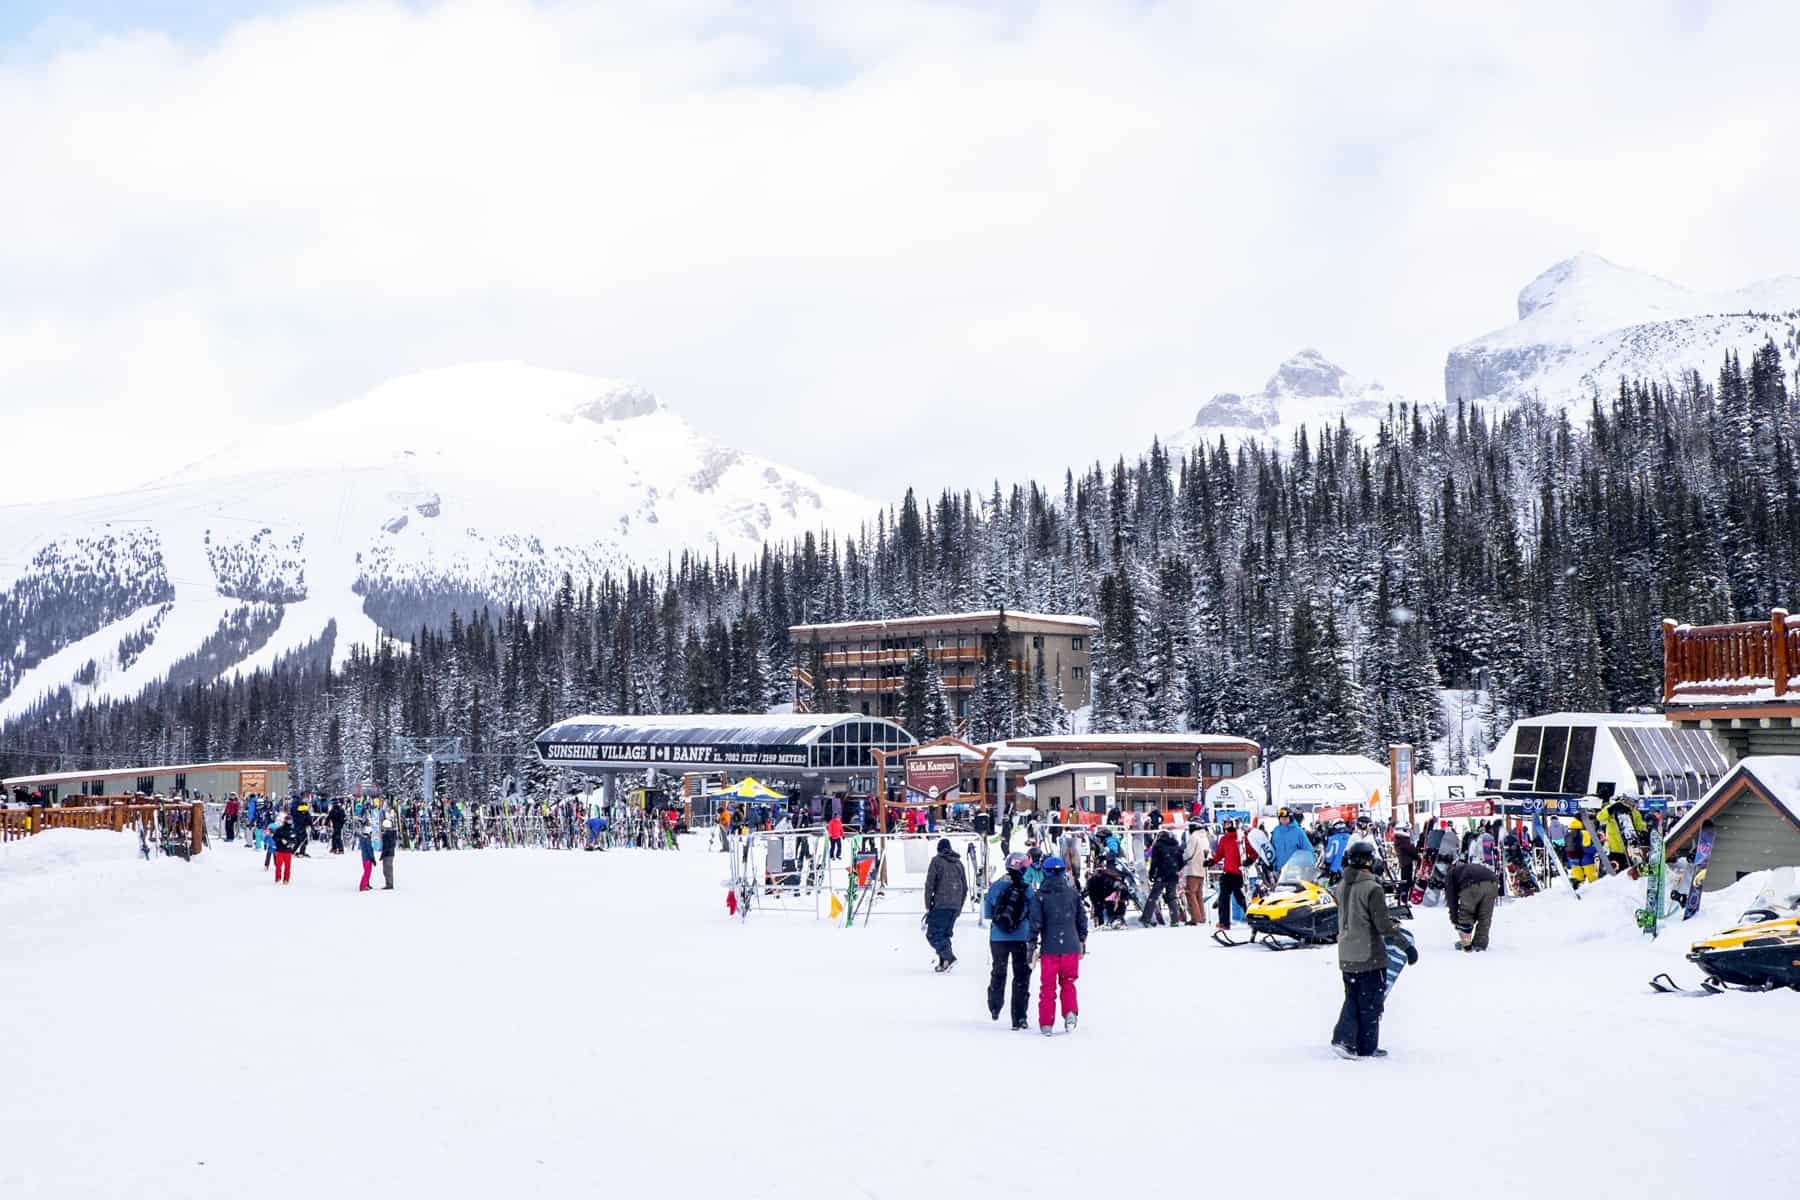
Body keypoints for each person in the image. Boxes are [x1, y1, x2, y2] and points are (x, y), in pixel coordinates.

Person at [1331, 842, 1412, 1059]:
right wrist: (1406, 946)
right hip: (1369, 954)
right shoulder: (1372, 888)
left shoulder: (1341, 885)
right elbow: (1383, 926)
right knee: (1371, 1003)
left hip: (1346, 951)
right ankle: (1361, 1045)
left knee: (1353, 997)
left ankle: (1346, 1039)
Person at [1027, 854, 1088, 1035]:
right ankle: (1070, 1013)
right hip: (1071, 946)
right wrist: (1082, 940)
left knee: (1048, 987)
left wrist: (1031, 944)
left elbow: (1035, 923)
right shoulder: (1072, 894)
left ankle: (1046, 1024)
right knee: (1068, 982)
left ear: (1044, 873)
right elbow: (1081, 920)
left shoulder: (1040, 896)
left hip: (1050, 948)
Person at [983, 852, 1035, 1030]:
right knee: (1021, 976)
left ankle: (995, 1006)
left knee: (999, 970)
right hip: (1021, 936)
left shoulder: (996, 886)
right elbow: (1033, 911)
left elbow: (989, 913)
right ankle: (1019, 1017)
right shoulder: (1027, 888)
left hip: (998, 937)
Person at [923, 837, 968, 972]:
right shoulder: (959, 863)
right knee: (944, 935)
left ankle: (949, 957)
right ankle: (944, 962)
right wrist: (959, 906)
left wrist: (927, 904)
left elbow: (929, 884)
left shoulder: (936, 861)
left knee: (933, 934)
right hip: (954, 906)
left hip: (941, 904)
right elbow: (965, 887)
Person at [1444, 849, 1499, 951]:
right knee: (1485, 917)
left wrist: (1455, 919)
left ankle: (1466, 944)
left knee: (1466, 914)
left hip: (1471, 884)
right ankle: (1480, 944)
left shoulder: (1450, 874)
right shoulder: (1467, 868)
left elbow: (1452, 901)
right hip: (1492, 882)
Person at [1210, 819, 1254, 931]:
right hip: (1227, 873)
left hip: (1239, 873)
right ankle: (1224, 923)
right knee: (1223, 898)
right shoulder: (1224, 839)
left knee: (1241, 898)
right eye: (1225, 824)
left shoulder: (1241, 838)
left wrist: (1250, 860)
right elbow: (1219, 854)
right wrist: (1212, 861)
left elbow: (1253, 852)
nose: (1227, 826)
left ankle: (1253, 919)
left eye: (1229, 824)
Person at [1143, 830, 1183, 927]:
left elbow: (1154, 862)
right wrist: (1175, 869)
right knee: (1172, 897)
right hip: (1173, 875)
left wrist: (1151, 874)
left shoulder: (1158, 845)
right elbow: (1181, 862)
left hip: (1162, 874)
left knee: (1153, 896)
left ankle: (1146, 918)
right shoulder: (1176, 845)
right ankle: (1175, 920)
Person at [1599, 797, 1647, 874]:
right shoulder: (1614, 808)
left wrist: (1643, 832)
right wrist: (1610, 809)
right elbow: (1600, 817)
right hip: (1614, 848)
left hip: (1629, 849)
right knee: (1616, 872)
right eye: (1632, 801)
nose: (1633, 804)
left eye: (1635, 802)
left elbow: (1640, 826)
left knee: (1628, 872)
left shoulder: (1634, 812)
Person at [1179, 822, 1209, 926]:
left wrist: (1182, 858)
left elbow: (1189, 853)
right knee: (1199, 894)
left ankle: (1195, 918)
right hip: (1202, 869)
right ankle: (1202, 917)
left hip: (1193, 869)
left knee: (1190, 893)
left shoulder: (1193, 837)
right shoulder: (1204, 837)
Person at [1270, 808, 1313, 873]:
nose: (1283, 820)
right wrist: (1272, 863)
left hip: (1295, 871)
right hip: (1280, 871)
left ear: (1290, 817)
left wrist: (1309, 865)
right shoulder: (1276, 831)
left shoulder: (1298, 831)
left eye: (1285, 818)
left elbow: (1308, 849)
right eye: (1281, 818)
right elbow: (1272, 848)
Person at [1563, 817, 1597, 888]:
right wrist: (1597, 849)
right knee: (1593, 880)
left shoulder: (1569, 831)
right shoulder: (1584, 833)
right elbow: (1586, 848)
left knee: (1578, 880)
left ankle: (1576, 892)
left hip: (1573, 859)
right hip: (1586, 859)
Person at [271, 814, 296, 885]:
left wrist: (289, 842)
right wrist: (281, 840)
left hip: (288, 851)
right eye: (288, 820)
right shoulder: (279, 829)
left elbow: (294, 840)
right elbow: (274, 837)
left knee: (288, 866)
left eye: (291, 820)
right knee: (278, 866)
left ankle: (286, 879)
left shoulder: (292, 830)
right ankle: (278, 878)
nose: (290, 822)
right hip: (280, 850)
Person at [356, 816, 377, 891]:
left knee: (367, 872)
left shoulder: (362, 839)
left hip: (364, 858)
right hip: (367, 858)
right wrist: (373, 859)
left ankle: (366, 884)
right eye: (370, 833)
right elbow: (369, 850)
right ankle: (363, 885)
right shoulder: (367, 840)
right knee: (367, 872)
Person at [379, 817, 398, 890]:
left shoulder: (387, 835)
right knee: (387, 869)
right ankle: (388, 883)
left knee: (387, 870)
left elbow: (386, 846)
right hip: (389, 854)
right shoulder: (390, 834)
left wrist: (382, 855)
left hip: (388, 854)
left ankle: (389, 884)